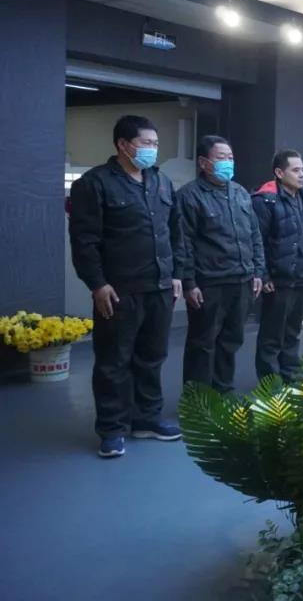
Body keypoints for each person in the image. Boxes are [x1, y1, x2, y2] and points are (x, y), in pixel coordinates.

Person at [69, 115, 184, 458]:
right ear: (123, 144)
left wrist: (177, 274)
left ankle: (146, 418)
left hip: (159, 286)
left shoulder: (161, 181)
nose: (153, 149)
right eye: (146, 143)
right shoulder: (95, 184)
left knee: (152, 357)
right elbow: (85, 241)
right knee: (113, 361)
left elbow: (175, 233)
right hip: (119, 290)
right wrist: (97, 284)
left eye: (156, 144)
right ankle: (112, 428)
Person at [176, 135, 266, 394]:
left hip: (242, 280)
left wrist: (258, 271)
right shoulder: (189, 196)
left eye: (231, 157)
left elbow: (254, 234)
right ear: (204, 162)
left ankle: (223, 394)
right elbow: (184, 243)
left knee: (231, 341)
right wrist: (189, 282)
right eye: (221, 157)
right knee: (203, 343)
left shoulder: (240, 192)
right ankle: (198, 400)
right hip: (209, 283)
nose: (228, 162)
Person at [252, 150, 303, 383]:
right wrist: (263, 275)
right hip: (278, 279)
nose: (302, 174)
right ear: (279, 173)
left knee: (293, 332)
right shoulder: (265, 201)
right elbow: (258, 241)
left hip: (302, 276)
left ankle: (290, 376)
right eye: (296, 170)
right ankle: (270, 383)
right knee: (272, 335)